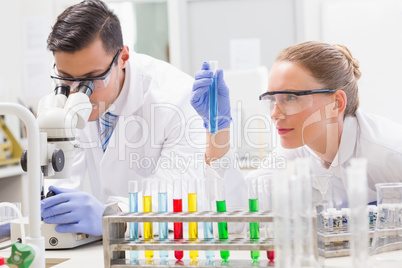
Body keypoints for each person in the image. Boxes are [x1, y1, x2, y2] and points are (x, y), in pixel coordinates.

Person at [40, 0, 204, 237]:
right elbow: (61, 180)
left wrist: (113, 216)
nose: (76, 93)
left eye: (91, 79)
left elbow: (172, 196)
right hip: (106, 246)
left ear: (123, 57)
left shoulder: (177, 98)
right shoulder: (66, 94)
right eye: (65, 78)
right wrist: (44, 210)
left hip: (163, 246)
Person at [191, 41, 402, 209]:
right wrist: (217, 129)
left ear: (336, 103)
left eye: (291, 98)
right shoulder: (296, 152)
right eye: (272, 99)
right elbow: (241, 210)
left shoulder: (389, 153)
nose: (275, 114)